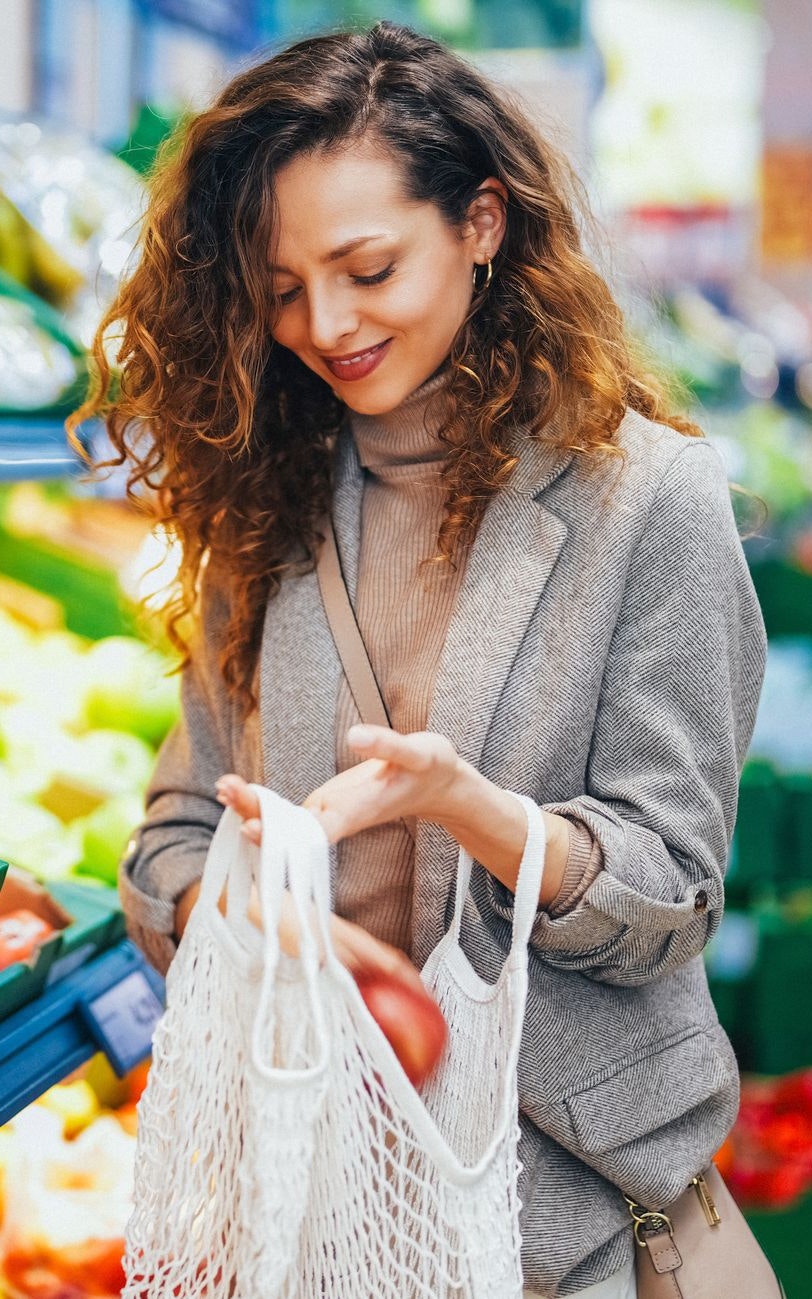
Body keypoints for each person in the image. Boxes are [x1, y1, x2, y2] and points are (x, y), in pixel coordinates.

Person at [71, 21, 766, 1299]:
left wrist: (471, 810)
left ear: (481, 224)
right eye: (280, 287)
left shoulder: (645, 500)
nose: (321, 324)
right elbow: (169, 839)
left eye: (366, 268)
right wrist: (242, 901)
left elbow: (667, 899)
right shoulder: (265, 498)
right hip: (314, 1207)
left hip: (568, 1220)